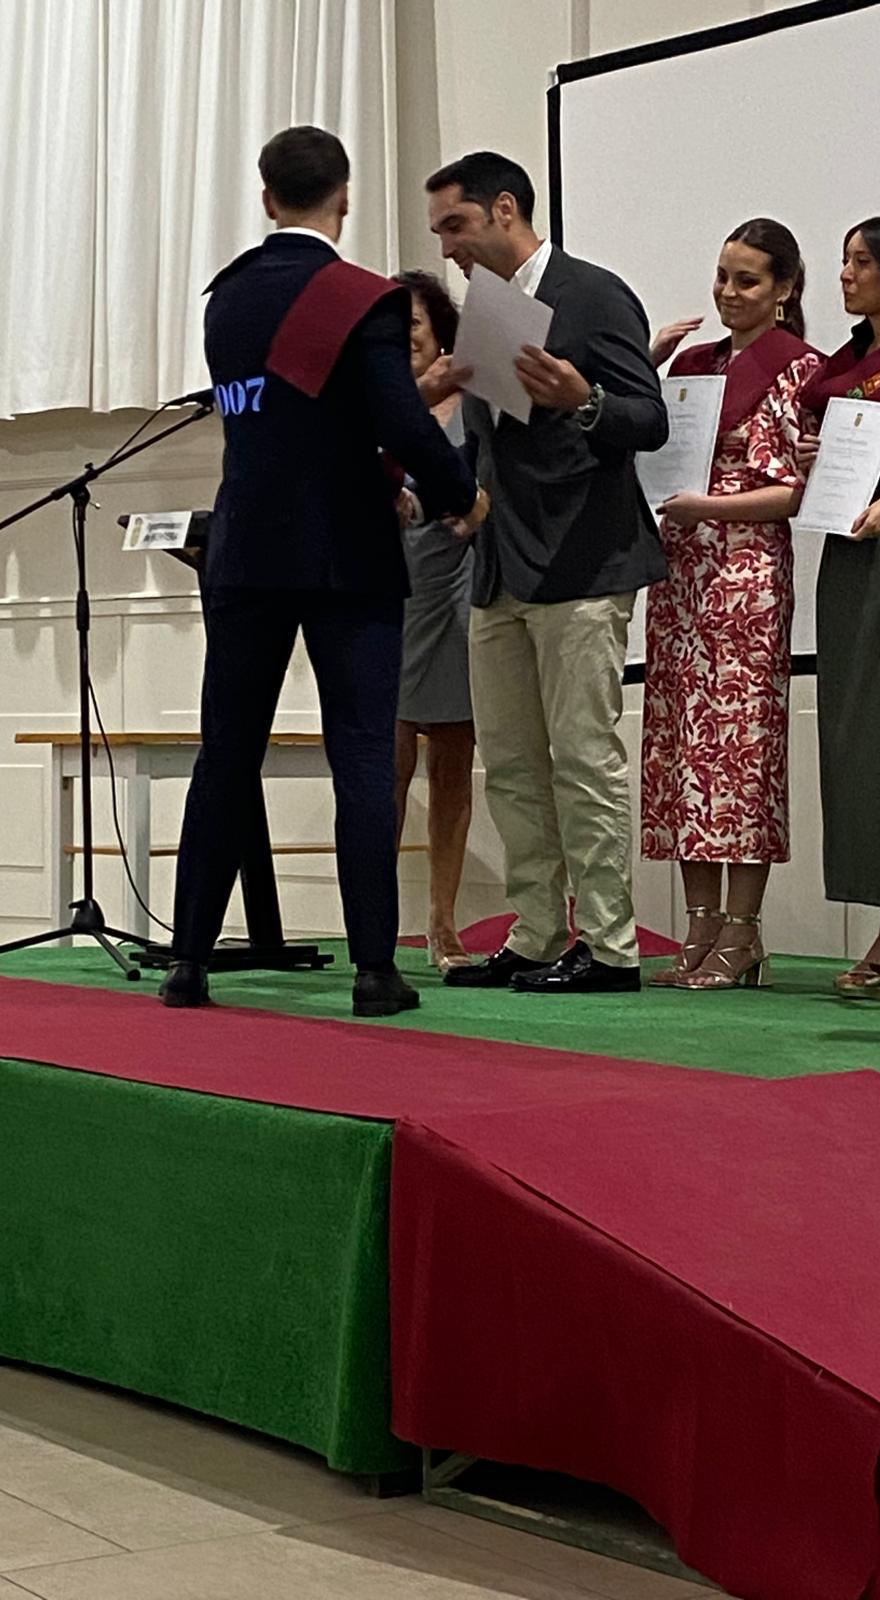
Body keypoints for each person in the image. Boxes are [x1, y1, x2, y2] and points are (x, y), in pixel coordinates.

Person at [160, 125, 485, 1017]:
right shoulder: (366, 298)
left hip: (246, 550)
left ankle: (188, 962)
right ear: (345, 196)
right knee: (362, 758)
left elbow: (279, 428)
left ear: (267, 198)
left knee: (227, 752)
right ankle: (375, 970)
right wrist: (458, 492)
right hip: (346, 553)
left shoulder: (225, 299)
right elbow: (396, 419)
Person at [426, 150, 668, 995]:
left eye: (455, 225)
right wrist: (458, 497)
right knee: (513, 766)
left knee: (584, 760)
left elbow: (649, 420)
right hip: (500, 566)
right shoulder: (485, 310)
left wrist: (584, 399)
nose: (447, 248)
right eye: (439, 232)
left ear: (504, 209)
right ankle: (536, 934)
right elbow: (491, 442)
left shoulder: (592, 294)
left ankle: (609, 946)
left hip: (585, 561)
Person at [642, 218, 822, 991]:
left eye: (747, 280)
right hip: (681, 575)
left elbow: (795, 490)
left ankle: (742, 931)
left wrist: (709, 508)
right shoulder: (694, 364)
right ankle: (699, 925)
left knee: (741, 753)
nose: (728, 292)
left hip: (746, 578)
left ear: (784, 288)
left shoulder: (800, 370)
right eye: (722, 276)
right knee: (681, 748)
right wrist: (648, 365)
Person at [797, 214, 880, 1000]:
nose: (845, 274)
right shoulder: (845, 364)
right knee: (862, 738)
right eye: (843, 260)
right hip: (854, 552)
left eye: (860, 261)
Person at [391, 270, 477, 976]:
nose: (402, 339)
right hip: (390, 592)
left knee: (452, 765)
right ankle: (373, 921)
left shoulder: (474, 404)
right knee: (386, 768)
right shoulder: (373, 406)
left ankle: (442, 923)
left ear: (440, 331)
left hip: (461, 587)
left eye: (413, 325)